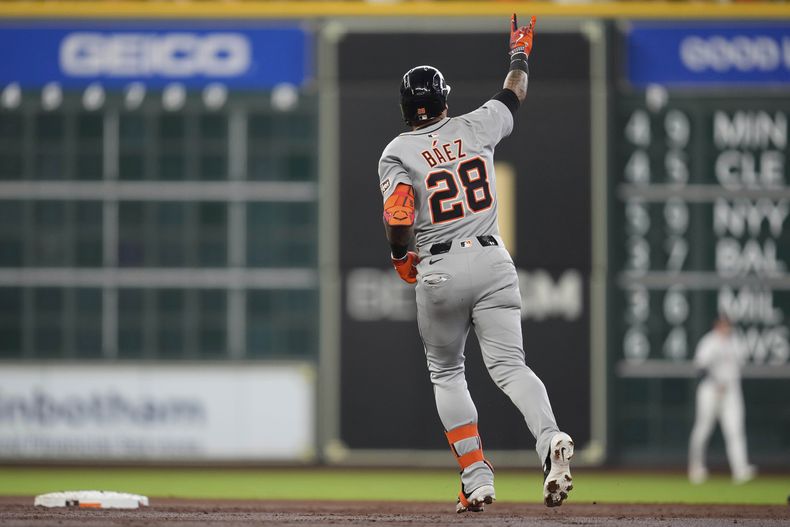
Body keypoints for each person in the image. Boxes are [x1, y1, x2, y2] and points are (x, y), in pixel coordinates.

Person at [378, 14, 574, 513]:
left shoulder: (397, 151)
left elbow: (399, 211)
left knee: (447, 373)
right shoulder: (477, 124)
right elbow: (514, 92)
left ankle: (476, 475)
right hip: (491, 260)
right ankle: (549, 438)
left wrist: (401, 254)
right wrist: (520, 52)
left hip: (439, 268)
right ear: (444, 99)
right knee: (510, 366)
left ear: (406, 108)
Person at [688, 316, 757, 484]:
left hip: (731, 391)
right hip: (710, 391)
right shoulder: (709, 342)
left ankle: (740, 469)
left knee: (735, 430)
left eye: (729, 326)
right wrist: (715, 382)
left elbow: (740, 364)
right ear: (717, 326)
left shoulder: (735, 342)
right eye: (724, 326)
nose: (727, 329)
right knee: (703, 429)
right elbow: (700, 368)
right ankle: (696, 467)